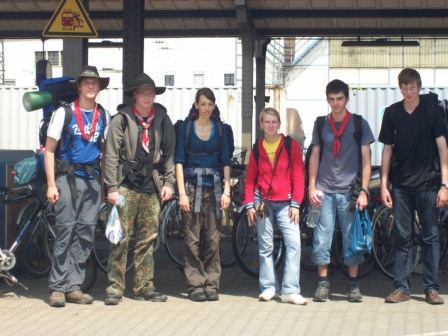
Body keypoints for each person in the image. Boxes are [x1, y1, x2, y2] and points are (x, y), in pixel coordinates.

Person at [103, 73, 176, 305]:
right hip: (125, 185)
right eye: (143, 92)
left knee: (147, 238)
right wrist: (111, 187)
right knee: (119, 238)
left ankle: (144, 286)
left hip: (151, 186)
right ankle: (115, 287)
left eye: (151, 92)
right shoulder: (121, 119)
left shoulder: (163, 119)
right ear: (135, 94)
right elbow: (111, 155)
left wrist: (169, 183)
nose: (148, 96)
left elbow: (170, 155)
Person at [379, 68, 448, 305]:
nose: (408, 91)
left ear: (419, 86)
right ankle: (401, 288)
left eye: (412, 86)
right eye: (404, 87)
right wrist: (384, 185)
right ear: (400, 88)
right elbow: (387, 150)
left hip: (428, 185)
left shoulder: (432, 112)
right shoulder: (392, 113)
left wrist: (444, 185)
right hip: (401, 186)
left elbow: (443, 148)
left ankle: (431, 289)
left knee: (430, 237)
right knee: (402, 237)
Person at [45, 65, 110, 308]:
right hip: (66, 179)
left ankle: (74, 286)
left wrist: (106, 185)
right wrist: (51, 184)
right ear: (79, 87)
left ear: (99, 87)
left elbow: (105, 153)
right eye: (87, 82)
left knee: (85, 233)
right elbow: (49, 150)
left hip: (92, 180)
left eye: (95, 83)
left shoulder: (104, 115)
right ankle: (57, 287)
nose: (91, 86)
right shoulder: (64, 113)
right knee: (65, 231)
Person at [308, 79, 375, 303]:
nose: (335, 103)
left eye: (339, 98)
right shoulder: (320, 124)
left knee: (351, 238)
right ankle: (323, 283)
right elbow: (315, 156)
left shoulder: (358, 123)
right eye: (331, 99)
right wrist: (311, 186)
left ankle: (353, 285)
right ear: (327, 99)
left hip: (350, 191)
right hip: (324, 191)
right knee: (321, 238)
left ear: (347, 99)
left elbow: (367, 160)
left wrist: (364, 191)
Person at [245, 107, 307, 305]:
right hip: (263, 203)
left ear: (279, 124)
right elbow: (250, 179)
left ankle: (290, 290)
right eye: (267, 122)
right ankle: (269, 287)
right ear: (261, 124)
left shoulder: (290, 145)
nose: (270, 125)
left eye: (274, 122)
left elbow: (299, 176)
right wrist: (249, 205)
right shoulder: (257, 147)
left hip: (286, 203)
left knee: (294, 244)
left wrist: (296, 204)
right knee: (265, 247)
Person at [175, 87, 231, 302]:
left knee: (214, 238)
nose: (207, 108)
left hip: (215, 188)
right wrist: (181, 193)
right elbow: (179, 161)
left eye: (210, 104)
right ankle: (195, 283)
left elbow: (226, 161)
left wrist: (227, 190)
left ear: (214, 106)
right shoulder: (186, 128)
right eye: (203, 103)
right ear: (196, 105)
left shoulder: (221, 129)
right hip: (191, 188)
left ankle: (211, 282)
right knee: (192, 238)